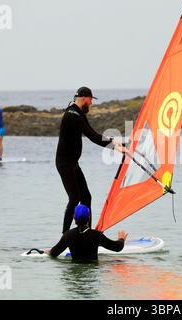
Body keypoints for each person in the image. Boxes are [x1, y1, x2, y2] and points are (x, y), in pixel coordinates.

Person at [56, 86, 127, 233]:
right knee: (74, 199)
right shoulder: (72, 115)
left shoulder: (78, 113)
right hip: (64, 164)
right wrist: (114, 146)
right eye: (90, 100)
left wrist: (115, 142)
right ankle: (65, 237)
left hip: (73, 163)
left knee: (86, 198)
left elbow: (94, 133)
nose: (91, 103)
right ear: (83, 98)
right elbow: (93, 137)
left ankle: (86, 233)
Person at [45, 204, 128, 261]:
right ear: (89, 217)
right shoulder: (96, 235)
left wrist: (48, 251)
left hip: (76, 270)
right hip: (92, 271)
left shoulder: (68, 235)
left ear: (74, 217)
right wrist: (121, 239)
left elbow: (54, 253)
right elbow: (117, 248)